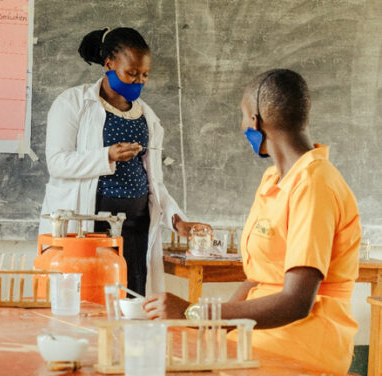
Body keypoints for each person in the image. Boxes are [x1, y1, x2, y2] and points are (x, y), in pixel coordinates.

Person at [143, 69, 360, 374]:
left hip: (301, 344)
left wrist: (198, 313)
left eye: (244, 116)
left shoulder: (314, 183)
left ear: (256, 121)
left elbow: (297, 302)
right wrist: (212, 329)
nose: (243, 125)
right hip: (259, 337)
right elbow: (257, 277)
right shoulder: (274, 178)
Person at [39, 27, 209, 296]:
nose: (138, 82)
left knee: (132, 298)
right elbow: (57, 163)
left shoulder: (147, 116)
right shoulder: (73, 103)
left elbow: (155, 182)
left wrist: (177, 221)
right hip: (88, 226)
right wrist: (107, 155)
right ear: (109, 64)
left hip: (135, 227)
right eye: (131, 74)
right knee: (87, 300)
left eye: (144, 76)